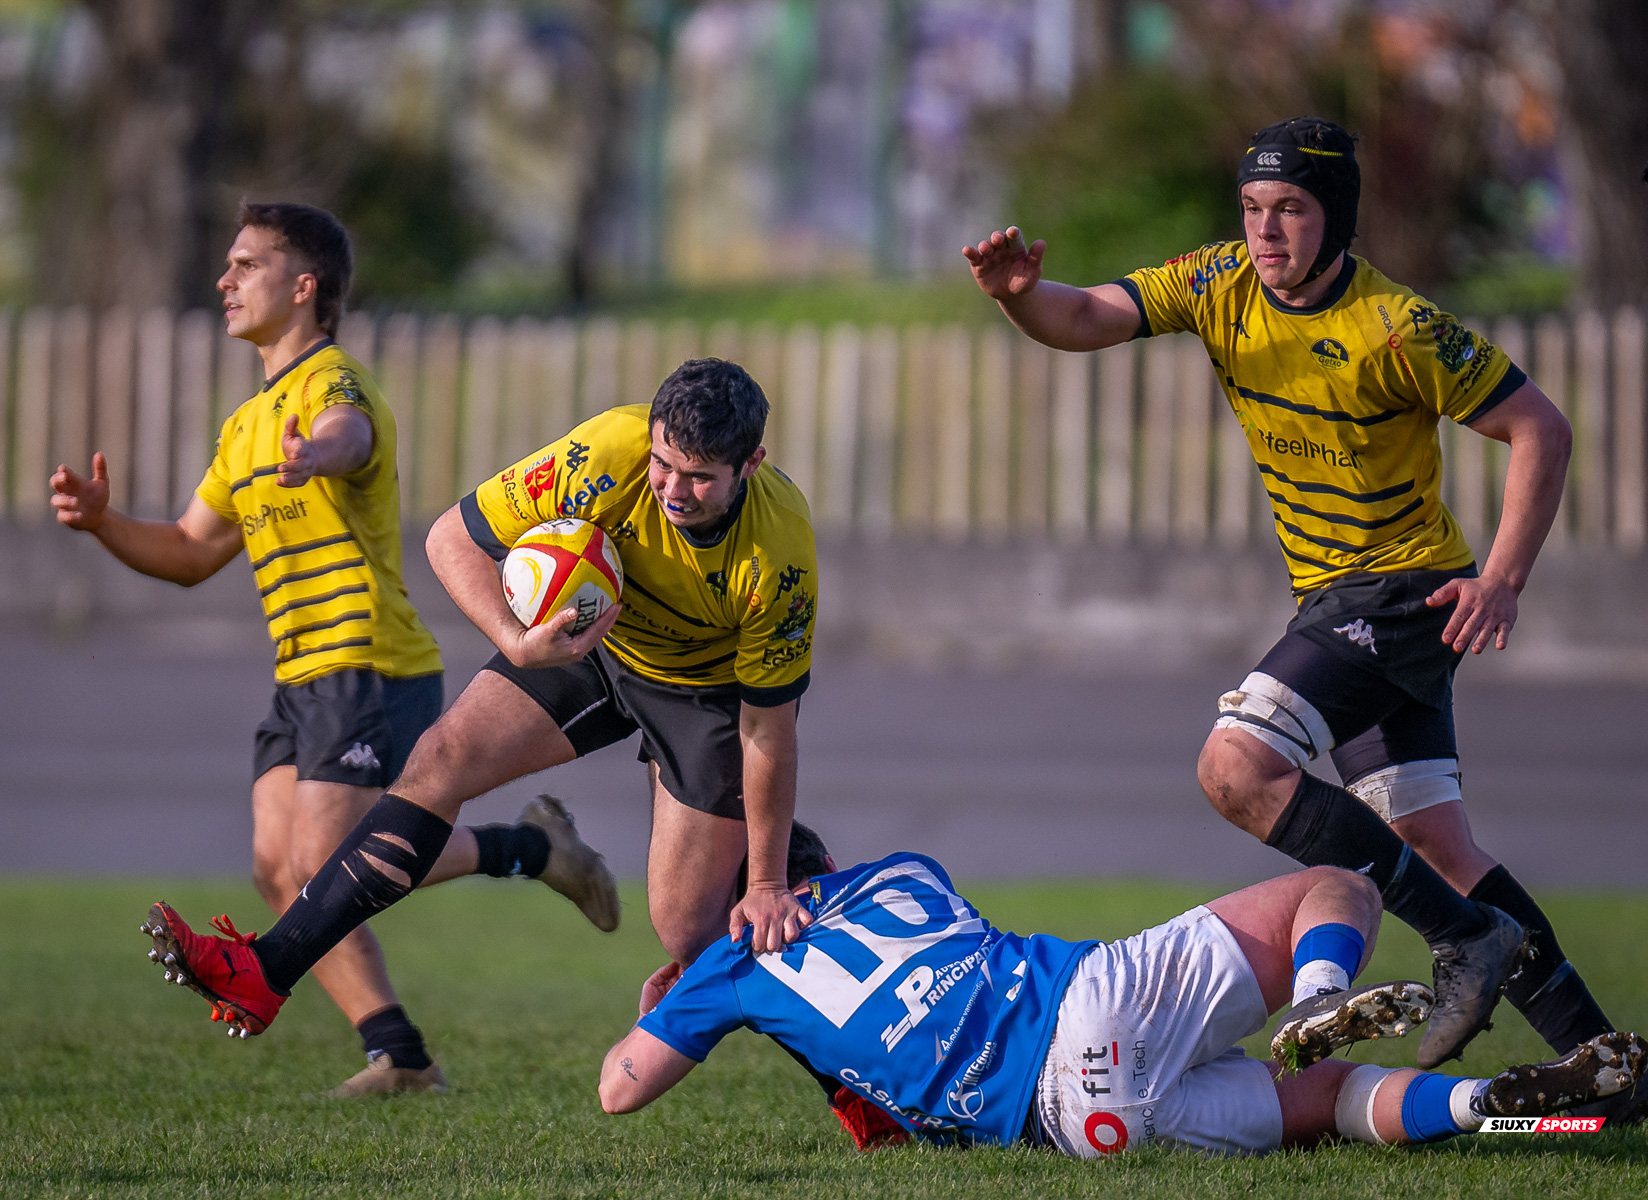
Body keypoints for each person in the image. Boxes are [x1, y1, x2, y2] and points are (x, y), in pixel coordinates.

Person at [962, 117, 1623, 1093]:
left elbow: (1541, 428)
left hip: (1397, 592)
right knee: (1436, 843)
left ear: (1336, 218)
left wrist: (1505, 579)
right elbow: (1086, 318)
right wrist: (1020, 297)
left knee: (1236, 767)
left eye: (1292, 211)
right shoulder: (1217, 281)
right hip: (1354, 603)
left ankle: (1465, 941)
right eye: (1254, 208)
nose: (1267, 231)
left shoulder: (1398, 325)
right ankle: (1606, 1054)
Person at [52, 201, 594, 1096]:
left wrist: (322, 455)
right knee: (277, 870)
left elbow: (355, 436)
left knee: (321, 866)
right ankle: (404, 1049)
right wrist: (107, 525)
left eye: (245, 265)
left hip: (371, 665)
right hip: (300, 678)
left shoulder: (331, 387)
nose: (224, 281)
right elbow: (190, 552)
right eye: (226, 266)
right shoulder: (245, 426)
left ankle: (520, 864)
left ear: (303, 288)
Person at [139, 357, 820, 1044]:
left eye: (700, 476)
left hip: (702, 692)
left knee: (689, 931)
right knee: (441, 758)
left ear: (751, 464)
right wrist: (515, 642)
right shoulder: (606, 455)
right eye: (665, 464)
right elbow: (451, 538)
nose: (674, 489)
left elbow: (768, 727)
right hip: (586, 642)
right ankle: (266, 968)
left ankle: (806, 890)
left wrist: (764, 882)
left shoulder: (779, 554)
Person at [598, 825, 1644, 1155]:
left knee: (1321, 1110)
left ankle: (1488, 1108)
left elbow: (619, 1089)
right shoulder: (905, 871)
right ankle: (1318, 992)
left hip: (1080, 1122)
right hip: (1088, 1002)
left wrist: (676, 996)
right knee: (1335, 885)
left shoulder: (727, 968)